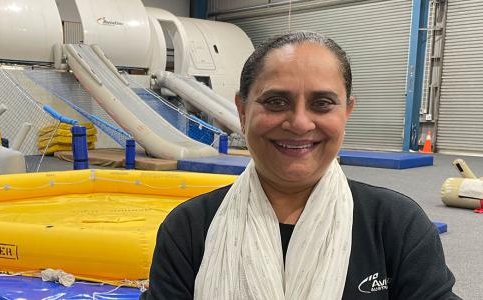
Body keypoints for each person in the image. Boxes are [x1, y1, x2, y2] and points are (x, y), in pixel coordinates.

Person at [140, 32, 459, 299]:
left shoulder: (395, 226)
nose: (300, 123)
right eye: (276, 102)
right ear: (241, 109)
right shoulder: (190, 229)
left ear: (346, 112)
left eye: (322, 104)